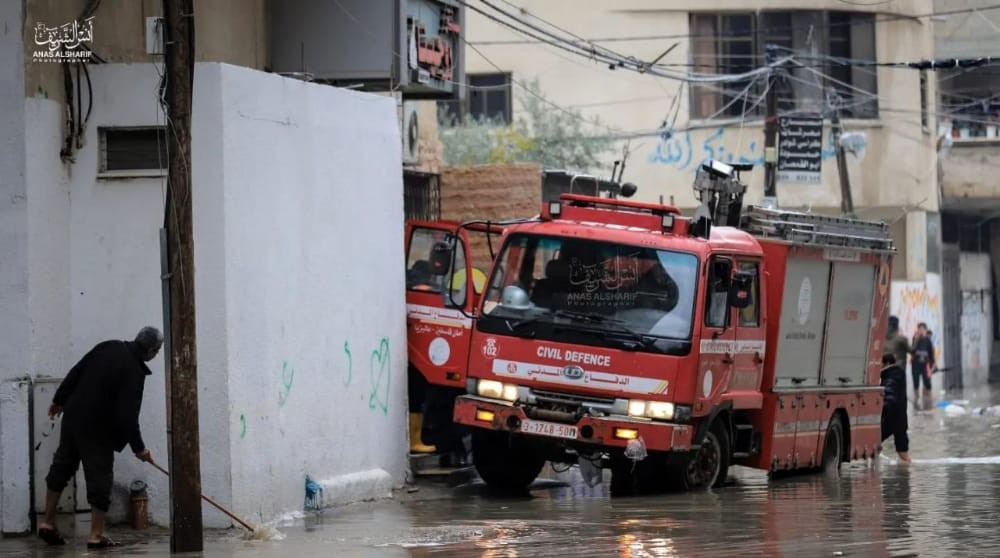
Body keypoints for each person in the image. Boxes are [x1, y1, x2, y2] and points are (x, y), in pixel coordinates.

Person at [38, 327, 163, 549]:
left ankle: (47, 522)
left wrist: (59, 399)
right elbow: (128, 416)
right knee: (100, 478)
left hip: (73, 415)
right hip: (99, 427)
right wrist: (139, 448)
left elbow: (77, 371)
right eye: (158, 351)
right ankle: (96, 536)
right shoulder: (134, 371)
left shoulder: (109, 345)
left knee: (62, 466)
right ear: (152, 350)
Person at [880, 353, 911, 463]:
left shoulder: (891, 376)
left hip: (892, 419)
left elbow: (890, 395)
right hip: (900, 419)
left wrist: (881, 410)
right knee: (902, 452)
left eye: (880, 363)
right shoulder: (897, 373)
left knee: (873, 442)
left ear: (886, 363)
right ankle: (908, 473)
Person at [910, 322, 935, 402]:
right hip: (916, 365)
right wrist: (917, 339)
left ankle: (928, 401)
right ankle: (916, 400)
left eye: (922, 329)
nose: (920, 331)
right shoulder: (915, 338)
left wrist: (931, 365)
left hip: (925, 365)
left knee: (927, 384)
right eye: (919, 329)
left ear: (925, 330)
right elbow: (912, 350)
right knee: (916, 383)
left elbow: (931, 353)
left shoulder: (928, 340)